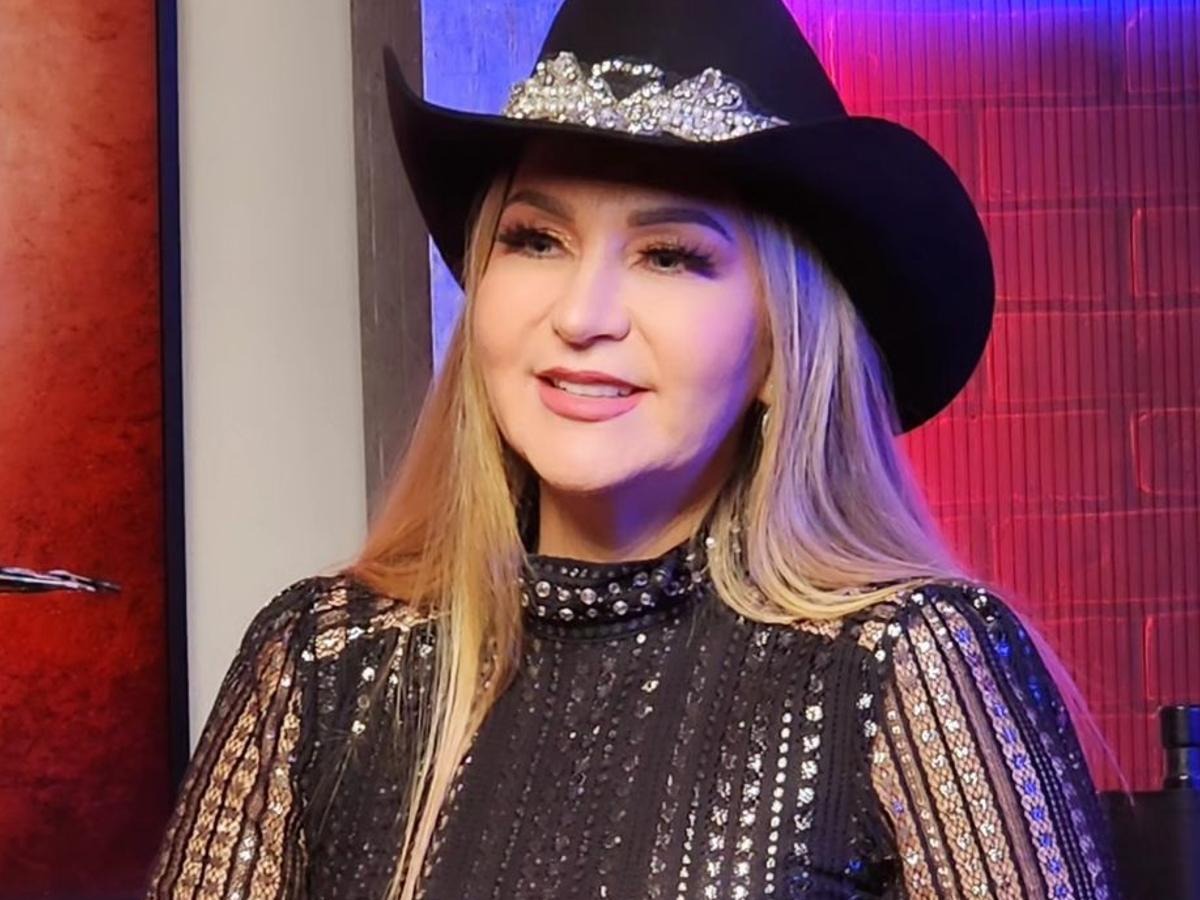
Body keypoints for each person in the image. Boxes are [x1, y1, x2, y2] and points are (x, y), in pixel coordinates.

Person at [145, 0, 1117, 897]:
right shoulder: (321, 661)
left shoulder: (906, 663)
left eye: (670, 255)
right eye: (537, 239)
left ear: (780, 346)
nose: (583, 315)